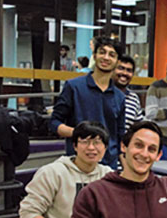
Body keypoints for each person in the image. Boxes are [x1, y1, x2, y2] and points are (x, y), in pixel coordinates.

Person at [50, 36, 125, 170]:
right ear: (94, 56)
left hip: (108, 166)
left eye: (112, 55)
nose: (106, 57)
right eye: (102, 52)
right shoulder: (74, 87)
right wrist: (80, 134)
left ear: (117, 61)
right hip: (77, 165)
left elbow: (119, 136)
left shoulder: (119, 97)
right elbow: (54, 122)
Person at [112, 54, 144, 132]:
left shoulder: (133, 98)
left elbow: (138, 126)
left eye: (129, 70)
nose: (125, 73)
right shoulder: (103, 93)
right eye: (121, 68)